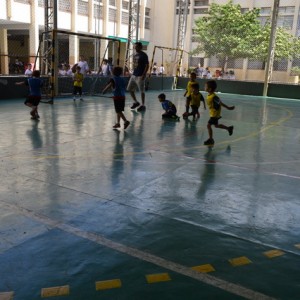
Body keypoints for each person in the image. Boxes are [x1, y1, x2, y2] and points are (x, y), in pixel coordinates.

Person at [203, 80, 235, 146]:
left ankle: (211, 139)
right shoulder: (209, 95)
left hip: (215, 114)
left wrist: (228, 108)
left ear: (210, 89)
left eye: (205, 86)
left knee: (208, 125)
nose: (204, 87)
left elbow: (220, 103)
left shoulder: (214, 97)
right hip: (213, 113)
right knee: (216, 125)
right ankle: (229, 128)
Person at [127, 42, 149, 111]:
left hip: (140, 75)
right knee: (129, 89)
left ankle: (143, 105)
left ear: (140, 47)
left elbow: (147, 65)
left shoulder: (144, 55)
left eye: (136, 46)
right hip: (134, 75)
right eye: (134, 46)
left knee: (142, 90)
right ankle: (136, 102)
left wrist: (143, 74)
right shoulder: (135, 55)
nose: (135, 48)